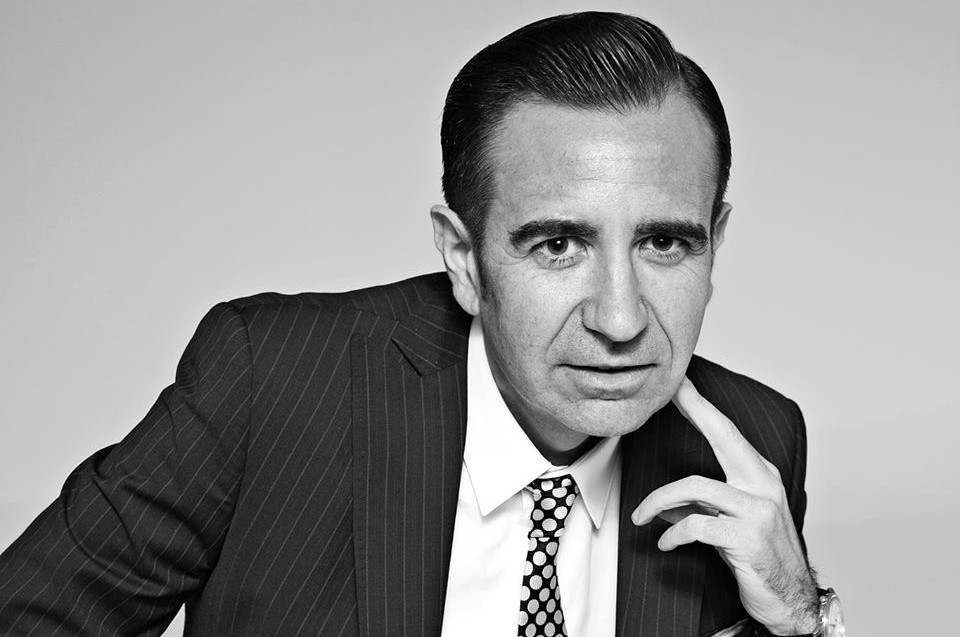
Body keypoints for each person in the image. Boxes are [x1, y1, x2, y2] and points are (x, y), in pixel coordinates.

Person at [0, 11, 845, 637]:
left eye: (664, 243)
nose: (621, 320)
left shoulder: (755, 442)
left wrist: (799, 615)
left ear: (714, 242)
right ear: (464, 258)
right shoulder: (273, 380)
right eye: (558, 245)